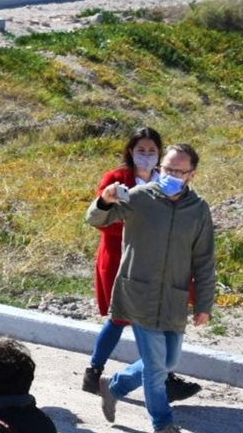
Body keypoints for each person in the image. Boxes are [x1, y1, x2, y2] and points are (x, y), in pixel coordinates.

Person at [87, 143, 215, 433]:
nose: (170, 175)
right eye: (166, 169)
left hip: (173, 297)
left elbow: (204, 260)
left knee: (167, 360)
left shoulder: (198, 210)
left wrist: (204, 304)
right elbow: (96, 219)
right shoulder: (139, 198)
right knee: (157, 368)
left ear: (192, 174)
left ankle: (114, 386)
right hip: (138, 293)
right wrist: (103, 201)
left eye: (178, 171)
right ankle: (163, 425)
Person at [83, 127, 201, 402]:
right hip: (121, 257)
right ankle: (97, 372)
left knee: (151, 320)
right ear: (130, 152)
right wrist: (136, 220)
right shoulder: (117, 179)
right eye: (141, 150)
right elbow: (103, 218)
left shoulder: (167, 182)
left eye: (151, 151)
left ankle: (158, 376)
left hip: (156, 262)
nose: (146, 156)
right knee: (121, 317)